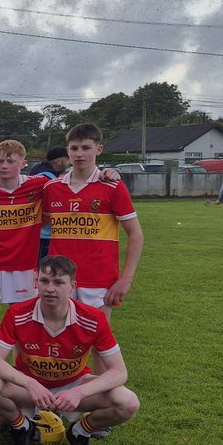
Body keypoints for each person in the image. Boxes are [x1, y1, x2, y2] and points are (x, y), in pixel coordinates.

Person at [0, 255, 140, 445]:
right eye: (44, 281)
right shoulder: (17, 313)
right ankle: (22, 426)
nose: (50, 289)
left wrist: (79, 392)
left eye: (58, 282)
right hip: (30, 387)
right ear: (36, 282)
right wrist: (30, 384)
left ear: (72, 286)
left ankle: (80, 432)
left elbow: (119, 371)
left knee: (128, 403)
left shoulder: (93, 318)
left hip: (73, 385)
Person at [44, 124, 143, 312]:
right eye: (74, 148)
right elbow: (36, 227)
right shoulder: (52, 188)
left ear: (99, 149)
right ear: (67, 150)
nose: (79, 154)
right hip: (59, 278)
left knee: (98, 332)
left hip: (99, 279)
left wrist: (126, 279)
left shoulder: (112, 186)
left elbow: (136, 234)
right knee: (57, 330)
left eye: (86, 148)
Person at [0, 140, 51, 305]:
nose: (4, 166)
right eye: (0, 161)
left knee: (21, 314)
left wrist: (101, 175)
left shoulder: (39, 185)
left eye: (10, 161)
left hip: (23, 266)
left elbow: (69, 185)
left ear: (23, 163)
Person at [29, 146, 69, 261]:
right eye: (67, 159)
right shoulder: (46, 179)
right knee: (44, 267)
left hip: (38, 231)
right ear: (59, 161)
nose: (69, 162)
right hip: (44, 234)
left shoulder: (38, 173)